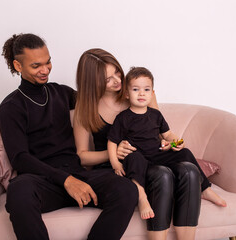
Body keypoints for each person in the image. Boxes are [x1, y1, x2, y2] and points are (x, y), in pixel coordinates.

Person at [0, 33, 138, 240]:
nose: (45, 70)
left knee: (126, 189)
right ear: (18, 66)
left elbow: (96, 98)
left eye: (48, 62)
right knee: (18, 192)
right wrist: (66, 181)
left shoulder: (61, 93)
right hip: (43, 182)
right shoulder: (11, 107)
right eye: (36, 66)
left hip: (79, 175)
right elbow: (20, 158)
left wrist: (138, 92)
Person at [74, 48, 206, 240]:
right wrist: (115, 153)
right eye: (108, 79)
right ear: (91, 82)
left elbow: (159, 131)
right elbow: (82, 156)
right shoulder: (85, 108)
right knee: (162, 174)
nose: (118, 80)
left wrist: (168, 144)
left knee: (189, 169)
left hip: (151, 157)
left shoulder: (138, 92)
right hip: (120, 168)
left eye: (117, 72)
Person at [107, 67, 227, 221]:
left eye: (146, 89)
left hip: (157, 154)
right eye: (136, 89)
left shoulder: (155, 115)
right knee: (133, 158)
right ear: (126, 93)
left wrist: (176, 142)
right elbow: (112, 142)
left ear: (152, 93)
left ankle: (204, 189)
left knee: (185, 153)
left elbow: (168, 134)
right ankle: (142, 197)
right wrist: (115, 163)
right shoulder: (123, 118)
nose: (141, 93)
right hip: (138, 157)